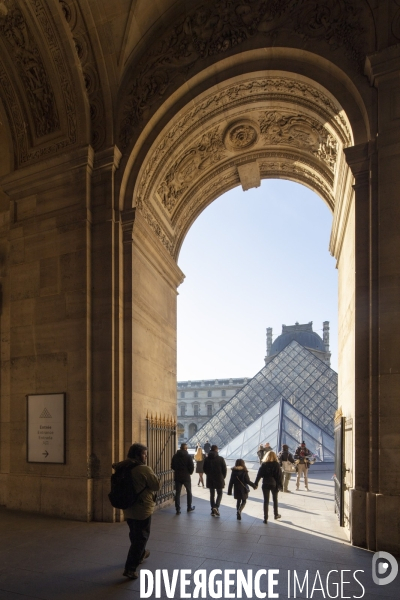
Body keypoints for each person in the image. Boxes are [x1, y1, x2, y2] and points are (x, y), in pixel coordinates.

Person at [119, 443, 160, 580]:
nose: (146, 456)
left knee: (134, 533)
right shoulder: (143, 469)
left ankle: (140, 554)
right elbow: (156, 486)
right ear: (137, 455)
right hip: (142, 508)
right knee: (141, 537)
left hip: (128, 506)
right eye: (144, 453)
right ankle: (130, 568)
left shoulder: (123, 466)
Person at [254, 450, 282, 523]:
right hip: (274, 483)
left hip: (265, 483)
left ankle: (265, 518)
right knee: (275, 500)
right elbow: (279, 476)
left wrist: (256, 483)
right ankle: (276, 514)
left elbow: (259, 474)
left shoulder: (264, 464)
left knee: (266, 501)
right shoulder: (276, 464)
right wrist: (280, 486)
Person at [171, 443, 195, 514]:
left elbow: (172, 466)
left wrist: (177, 470)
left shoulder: (175, 456)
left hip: (178, 476)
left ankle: (178, 509)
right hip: (186, 476)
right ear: (186, 448)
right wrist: (189, 472)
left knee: (177, 493)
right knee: (189, 492)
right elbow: (192, 466)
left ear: (180, 448)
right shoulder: (188, 456)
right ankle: (189, 507)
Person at [203, 444, 227, 517]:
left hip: (210, 479)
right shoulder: (221, 459)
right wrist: (223, 477)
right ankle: (216, 507)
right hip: (219, 478)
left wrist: (208, 474)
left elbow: (204, 469)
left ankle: (213, 509)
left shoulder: (206, 459)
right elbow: (224, 470)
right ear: (217, 450)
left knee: (212, 495)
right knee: (219, 493)